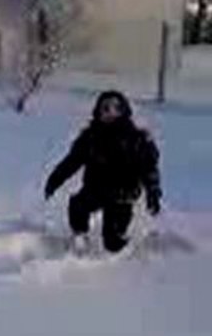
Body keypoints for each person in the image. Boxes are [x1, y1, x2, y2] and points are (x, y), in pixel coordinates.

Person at [44, 90, 162, 253]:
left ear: (124, 111)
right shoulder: (90, 137)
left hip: (122, 194)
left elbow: (149, 169)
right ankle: (80, 238)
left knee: (112, 242)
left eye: (116, 109)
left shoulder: (136, 139)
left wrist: (153, 193)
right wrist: (55, 180)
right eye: (106, 109)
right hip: (96, 189)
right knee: (78, 205)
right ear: (98, 111)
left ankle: (130, 253)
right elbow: (72, 162)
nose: (110, 114)